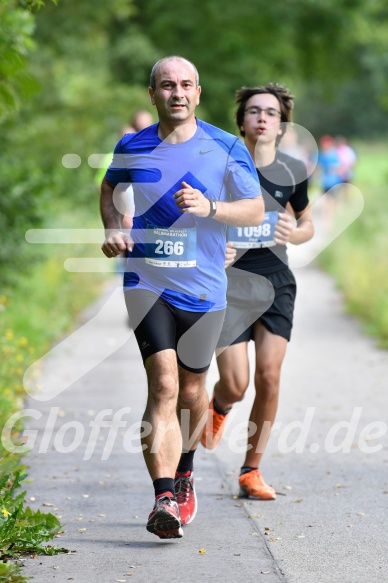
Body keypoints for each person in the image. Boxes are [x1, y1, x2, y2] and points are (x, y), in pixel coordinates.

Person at [99, 56, 264, 538]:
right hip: (147, 283)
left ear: (198, 92)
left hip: (205, 288)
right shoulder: (133, 145)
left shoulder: (226, 147)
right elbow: (110, 188)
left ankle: (185, 468)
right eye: (167, 85)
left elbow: (254, 209)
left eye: (186, 84)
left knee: (193, 392)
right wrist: (112, 225)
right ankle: (164, 498)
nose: (177, 93)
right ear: (152, 94)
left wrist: (211, 206)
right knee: (165, 386)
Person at [201, 83, 314, 500]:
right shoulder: (221, 166)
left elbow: (308, 224)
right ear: (242, 121)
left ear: (281, 124)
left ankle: (251, 470)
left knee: (268, 376)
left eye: (270, 112)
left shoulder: (292, 170)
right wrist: (217, 243)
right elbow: (199, 215)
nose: (262, 118)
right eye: (253, 111)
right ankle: (219, 407)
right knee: (236, 384)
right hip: (229, 284)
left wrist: (295, 232)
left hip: (276, 283)